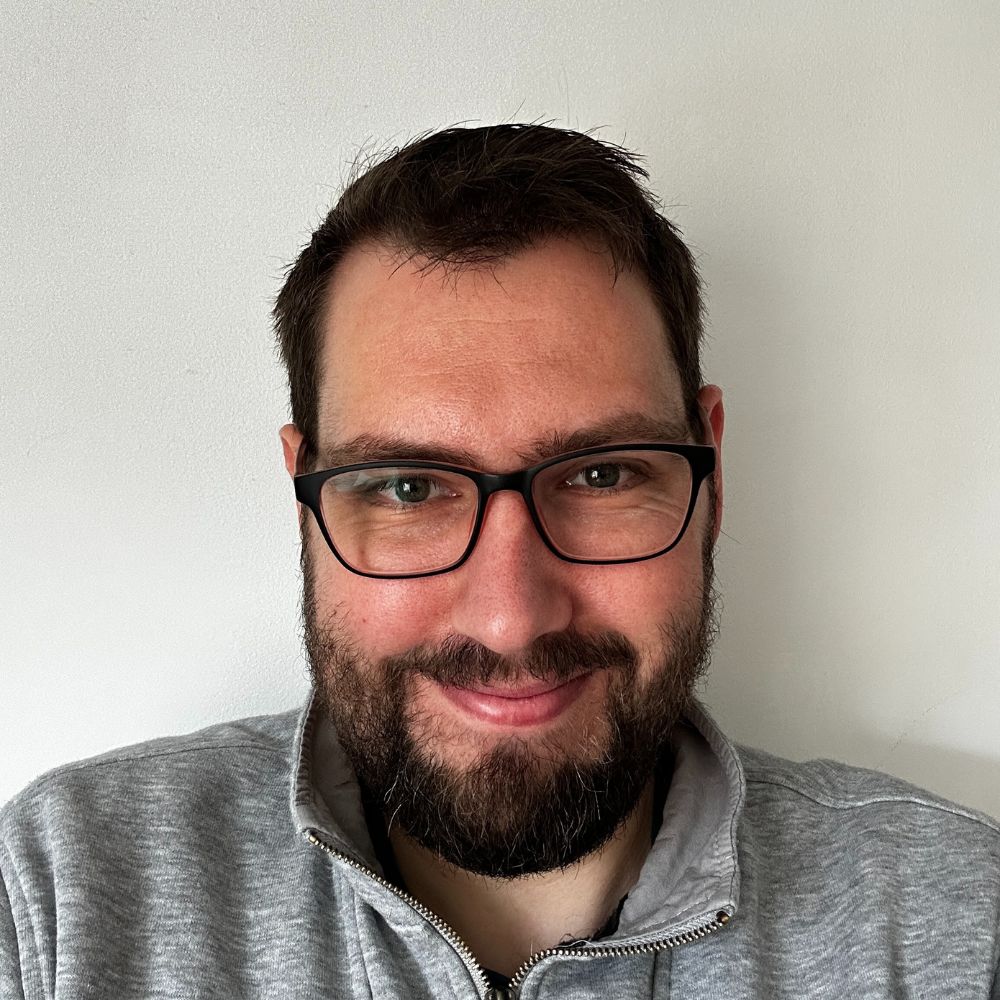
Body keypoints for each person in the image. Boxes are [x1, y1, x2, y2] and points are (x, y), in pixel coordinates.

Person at [1, 124, 998, 1000]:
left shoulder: (953, 922)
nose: (509, 617)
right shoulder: (61, 901)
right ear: (305, 499)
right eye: (406, 487)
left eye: (602, 474)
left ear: (710, 473)